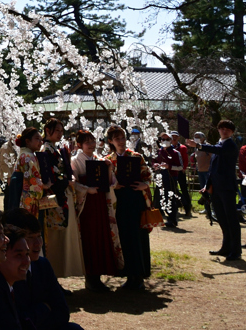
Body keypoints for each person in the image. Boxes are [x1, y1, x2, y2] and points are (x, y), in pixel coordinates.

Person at [4, 208, 81, 330]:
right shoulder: (5, 271)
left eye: (39, 236)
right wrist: (44, 308)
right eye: (30, 237)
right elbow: (16, 321)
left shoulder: (42, 265)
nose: (38, 243)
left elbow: (62, 311)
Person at [71, 129, 122, 292]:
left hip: (99, 203)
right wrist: (86, 189)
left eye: (93, 141)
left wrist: (107, 168)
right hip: (86, 205)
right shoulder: (75, 161)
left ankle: (97, 276)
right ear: (79, 145)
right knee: (89, 238)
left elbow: (111, 183)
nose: (91, 145)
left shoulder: (99, 159)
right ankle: (90, 277)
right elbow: (73, 183)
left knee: (101, 237)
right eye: (87, 142)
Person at [104, 125, 152, 292]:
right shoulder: (107, 160)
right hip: (119, 201)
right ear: (110, 141)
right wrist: (113, 185)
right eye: (117, 139)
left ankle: (139, 275)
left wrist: (144, 185)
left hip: (135, 199)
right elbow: (105, 180)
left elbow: (147, 175)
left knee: (137, 237)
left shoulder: (136, 156)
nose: (121, 141)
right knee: (123, 237)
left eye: (123, 138)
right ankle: (128, 274)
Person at [189, 120, 242, 261]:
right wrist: (207, 185)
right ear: (218, 130)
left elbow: (218, 150)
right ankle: (226, 247)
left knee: (231, 219)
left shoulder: (229, 145)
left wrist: (199, 145)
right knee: (222, 218)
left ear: (232, 132)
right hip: (217, 187)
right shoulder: (219, 144)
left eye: (228, 129)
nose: (225, 131)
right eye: (222, 129)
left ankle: (236, 250)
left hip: (227, 188)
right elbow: (212, 170)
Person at [40, 119, 83, 280]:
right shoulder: (46, 149)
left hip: (63, 193)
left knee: (61, 235)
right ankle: (53, 276)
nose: (60, 133)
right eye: (56, 130)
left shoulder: (56, 148)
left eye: (61, 130)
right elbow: (51, 174)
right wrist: (66, 181)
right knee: (54, 237)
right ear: (47, 130)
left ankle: (57, 275)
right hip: (54, 196)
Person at [0, 225, 31, 330]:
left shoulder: (9, 286)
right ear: (0, 254)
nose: (26, 262)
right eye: (19, 255)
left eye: (27, 254)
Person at [13, 127, 47, 217]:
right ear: (27, 141)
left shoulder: (25, 154)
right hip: (28, 198)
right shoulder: (28, 157)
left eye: (41, 139)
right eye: (37, 139)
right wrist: (44, 185)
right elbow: (32, 181)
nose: (40, 142)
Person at [153, 131, 182, 228]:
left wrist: (169, 166)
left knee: (170, 198)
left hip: (171, 178)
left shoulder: (175, 152)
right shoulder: (158, 152)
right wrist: (155, 165)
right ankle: (158, 218)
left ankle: (172, 219)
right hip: (160, 177)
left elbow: (180, 167)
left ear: (171, 140)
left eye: (167, 139)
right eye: (163, 139)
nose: (165, 141)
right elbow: (154, 162)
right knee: (158, 198)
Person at [169, 131, 192, 216]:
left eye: (176, 136)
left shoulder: (183, 147)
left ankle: (187, 208)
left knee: (184, 189)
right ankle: (177, 205)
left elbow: (185, 159)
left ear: (178, 137)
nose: (174, 138)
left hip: (180, 171)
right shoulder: (168, 147)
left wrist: (184, 168)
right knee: (173, 189)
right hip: (172, 171)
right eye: (172, 136)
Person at [192, 132, 214, 224]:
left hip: (208, 171)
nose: (196, 138)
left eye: (198, 137)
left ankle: (213, 209)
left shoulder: (207, 147)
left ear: (203, 138)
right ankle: (206, 208)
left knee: (210, 190)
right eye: (195, 137)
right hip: (200, 171)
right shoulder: (196, 147)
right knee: (203, 191)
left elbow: (212, 157)